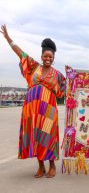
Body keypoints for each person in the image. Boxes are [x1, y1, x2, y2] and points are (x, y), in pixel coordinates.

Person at [1, 25, 66, 178]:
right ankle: (41, 166)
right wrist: (8, 39)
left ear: (53, 58)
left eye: (51, 57)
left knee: (48, 136)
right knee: (35, 136)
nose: (48, 59)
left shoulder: (57, 75)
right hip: (31, 109)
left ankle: (52, 165)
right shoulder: (33, 67)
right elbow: (20, 54)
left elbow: (69, 88)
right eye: (46, 56)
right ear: (42, 56)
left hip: (48, 110)